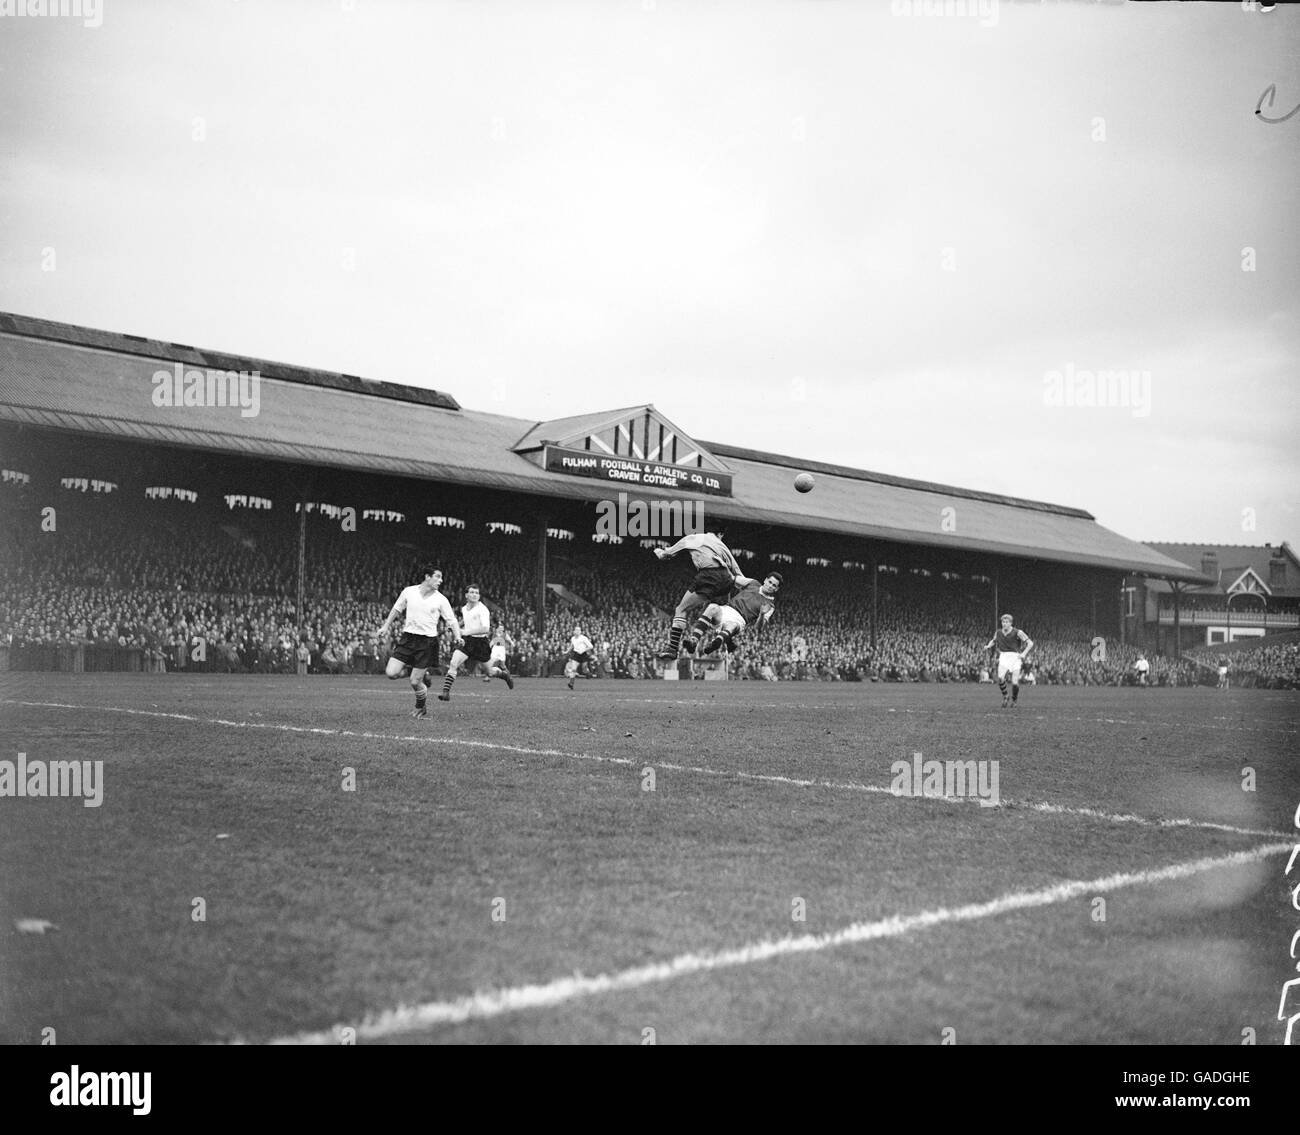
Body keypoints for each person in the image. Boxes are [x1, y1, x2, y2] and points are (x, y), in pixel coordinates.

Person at [378, 566, 462, 718]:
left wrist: (458, 636)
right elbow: (396, 609)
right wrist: (385, 626)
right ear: (427, 577)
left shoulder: (441, 599)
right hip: (408, 638)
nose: (441, 580)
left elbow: (452, 620)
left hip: (427, 642)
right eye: (437, 576)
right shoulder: (409, 591)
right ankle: (414, 671)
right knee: (391, 673)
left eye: (441, 577)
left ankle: (420, 707)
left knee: (415, 682)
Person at [652, 532, 746, 659]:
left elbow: (666, 555)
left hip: (709, 576)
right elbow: (738, 573)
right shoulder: (722, 546)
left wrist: (658, 551)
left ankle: (672, 649)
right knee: (717, 613)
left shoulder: (694, 538)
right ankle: (728, 642)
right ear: (720, 534)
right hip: (727, 579)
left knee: (681, 609)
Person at [439, 584, 513, 700]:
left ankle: (504, 675)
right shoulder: (464, 608)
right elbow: (466, 619)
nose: (474, 595)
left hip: (480, 643)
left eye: (476, 593)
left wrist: (465, 632)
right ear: (466, 595)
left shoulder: (483, 609)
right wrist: (456, 626)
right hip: (468, 641)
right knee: (454, 662)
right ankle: (446, 693)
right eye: (472, 592)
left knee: (490, 671)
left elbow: (485, 629)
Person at [684, 573, 782, 655]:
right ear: (765, 580)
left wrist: (761, 614)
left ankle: (715, 643)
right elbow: (733, 579)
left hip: (739, 620)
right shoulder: (753, 583)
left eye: (774, 585)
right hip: (727, 609)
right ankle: (694, 641)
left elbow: (758, 628)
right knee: (712, 607)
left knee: (731, 626)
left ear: (777, 589)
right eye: (770, 582)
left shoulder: (770, 606)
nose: (770, 586)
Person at [984, 613, 1033, 708]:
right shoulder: (998, 632)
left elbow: (1030, 643)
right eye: (1003, 622)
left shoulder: (1018, 632)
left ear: (1011, 623)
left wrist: (1023, 653)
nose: (1004, 624)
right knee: (1001, 678)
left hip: (1015, 658)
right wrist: (988, 646)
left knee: (1015, 682)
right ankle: (1005, 696)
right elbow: (994, 640)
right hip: (1004, 657)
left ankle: (1014, 700)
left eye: (1006, 622)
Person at [566, 625, 595, 690]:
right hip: (576, 654)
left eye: (579, 630)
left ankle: (588, 674)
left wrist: (583, 650)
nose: (577, 631)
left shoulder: (583, 638)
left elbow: (591, 646)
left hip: (583, 655)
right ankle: (571, 683)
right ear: (574, 631)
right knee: (573, 669)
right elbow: (572, 646)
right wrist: (567, 651)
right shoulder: (572, 638)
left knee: (584, 669)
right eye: (576, 630)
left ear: (580, 632)